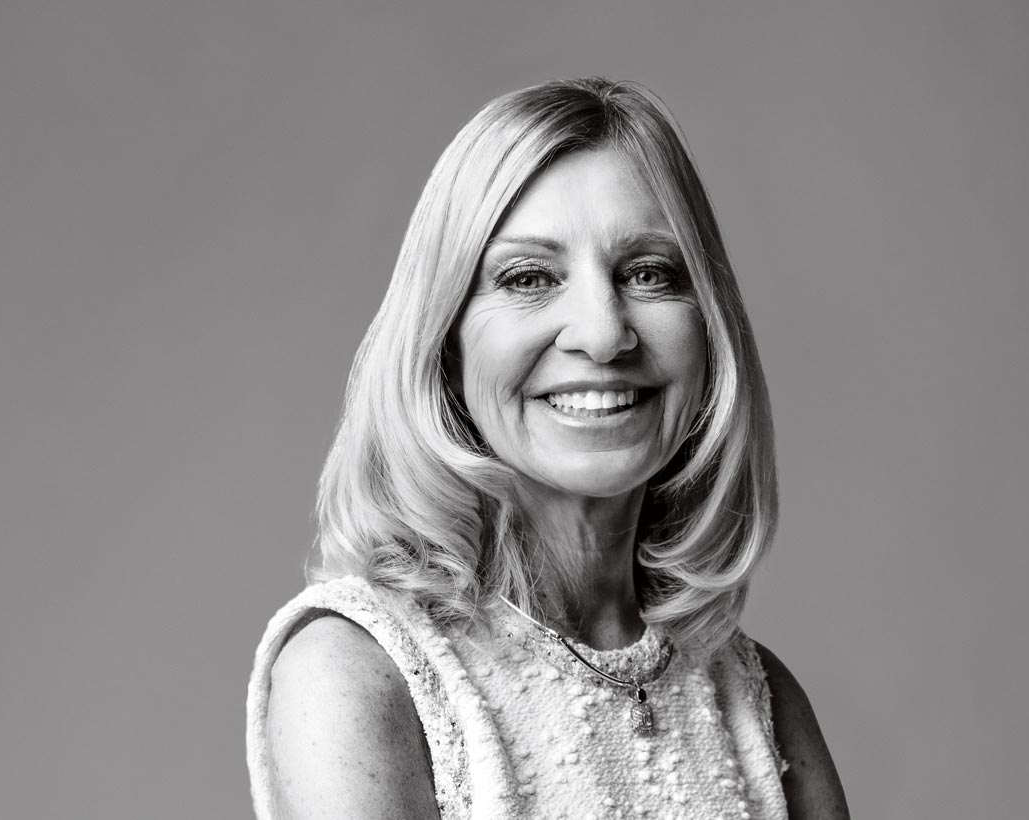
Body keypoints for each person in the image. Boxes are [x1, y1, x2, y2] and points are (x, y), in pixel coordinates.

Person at [246, 77, 849, 820]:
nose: (602, 333)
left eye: (648, 273)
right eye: (529, 277)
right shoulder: (357, 672)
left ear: (710, 329)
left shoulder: (760, 702)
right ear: (444, 343)